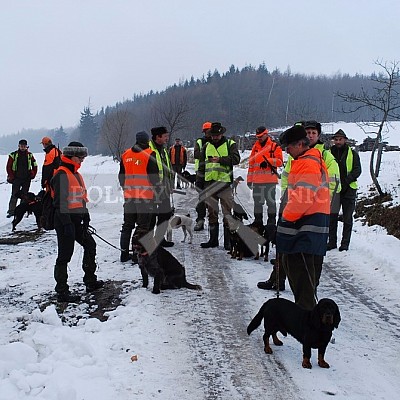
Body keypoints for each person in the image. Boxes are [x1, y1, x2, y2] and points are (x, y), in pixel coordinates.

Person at [258, 120, 340, 292]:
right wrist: (286, 198)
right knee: (286, 248)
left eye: (313, 132)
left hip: (310, 210)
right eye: (307, 132)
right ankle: (277, 279)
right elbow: (288, 175)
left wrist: (322, 202)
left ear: (317, 136)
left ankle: (308, 295)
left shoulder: (322, 156)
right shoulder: (298, 156)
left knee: (307, 258)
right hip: (293, 202)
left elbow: (330, 183)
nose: (310, 135)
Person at [275, 125, 330, 310]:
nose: (286, 151)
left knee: (302, 280)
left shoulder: (308, 163)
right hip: (309, 227)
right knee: (305, 280)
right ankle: (307, 321)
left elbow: (303, 197)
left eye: (288, 147)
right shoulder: (306, 160)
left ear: (300, 144)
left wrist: (285, 218)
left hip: (304, 228)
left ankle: (307, 325)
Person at [51, 141, 103, 303]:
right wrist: (67, 225)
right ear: (72, 157)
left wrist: (85, 215)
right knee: (65, 255)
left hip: (77, 221)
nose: (82, 161)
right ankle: (62, 291)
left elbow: (81, 198)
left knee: (90, 245)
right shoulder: (61, 174)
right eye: (80, 158)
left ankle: (90, 281)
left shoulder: (77, 175)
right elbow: (60, 204)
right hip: (64, 222)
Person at [196, 122, 240, 249]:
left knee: (227, 212)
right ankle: (213, 240)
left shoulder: (230, 144)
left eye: (217, 135)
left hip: (225, 184)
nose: (215, 137)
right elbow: (202, 165)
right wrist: (199, 182)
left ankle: (228, 242)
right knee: (212, 213)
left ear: (222, 134)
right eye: (213, 135)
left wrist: (220, 159)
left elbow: (236, 159)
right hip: (209, 184)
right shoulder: (206, 146)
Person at [119, 131, 159, 262]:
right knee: (142, 227)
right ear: (147, 141)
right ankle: (138, 254)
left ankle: (124, 254)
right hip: (145, 197)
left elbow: (121, 176)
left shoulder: (125, 154)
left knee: (127, 225)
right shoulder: (149, 154)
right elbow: (155, 179)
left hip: (129, 196)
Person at [328, 129, 362, 251]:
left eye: (340, 139)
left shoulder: (352, 154)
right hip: (334, 189)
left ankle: (345, 243)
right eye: (336, 139)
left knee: (347, 218)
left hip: (349, 189)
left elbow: (357, 170)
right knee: (332, 218)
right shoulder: (329, 153)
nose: (338, 141)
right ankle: (332, 242)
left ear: (345, 140)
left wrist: (347, 181)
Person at [247, 126, 283, 226]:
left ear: (266, 134)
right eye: (258, 136)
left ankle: (271, 223)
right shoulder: (255, 148)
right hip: (257, 182)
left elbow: (280, 162)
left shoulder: (274, 146)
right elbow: (251, 165)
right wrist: (249, 180)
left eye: (261, 136)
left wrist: (269, 162)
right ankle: (258, 222)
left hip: (270, 181)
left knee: (271, 204)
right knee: (258, 204)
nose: (259, 138)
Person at [149, 126, 175, 247]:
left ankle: (159, 239)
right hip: (152, 189)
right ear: (158, 137)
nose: (167, 138)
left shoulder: (163, 150)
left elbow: (168, 168)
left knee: (165, 213)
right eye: (165, 136)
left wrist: (171, 184)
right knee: (152, 216)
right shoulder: (149, 149)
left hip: (164, 188)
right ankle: (149, 242)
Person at [6, 139, 38, 218]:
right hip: (16, 178)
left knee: (24, 195)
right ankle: (11, 211)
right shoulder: (13, 155)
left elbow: (35, 165)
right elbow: (8, 167)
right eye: (21, 146)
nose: (23, 147)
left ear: (26, 147)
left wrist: (33, 174)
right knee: (14, 195)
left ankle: (22, 209)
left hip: (27, 178)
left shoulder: (30, 155)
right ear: (18, 146)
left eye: (24, 146)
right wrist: (11, 176)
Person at [193, 121, 212, 231]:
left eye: (209, 130)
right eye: (206, 131)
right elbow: (196, 154)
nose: (207, 133)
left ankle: (212, 221)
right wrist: (207, 149)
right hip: (201, 173)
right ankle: (200, 220)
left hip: (214, 174)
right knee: (202, 199)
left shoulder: (217, 141)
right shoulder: (200, 142)